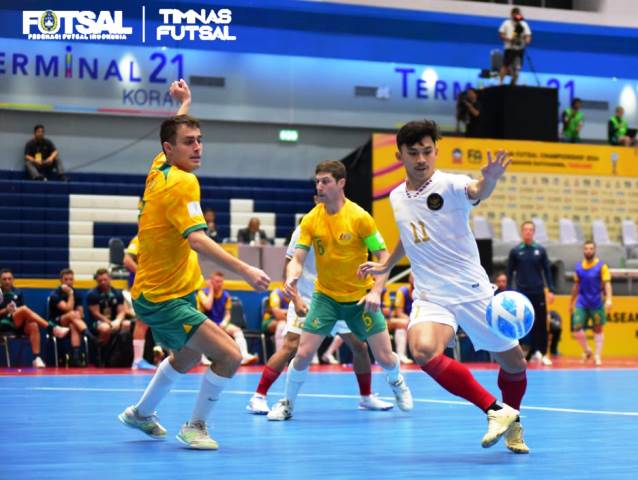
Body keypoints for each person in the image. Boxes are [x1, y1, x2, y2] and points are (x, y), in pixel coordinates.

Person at [359, 120, 529, 454]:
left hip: (471, 291)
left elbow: (477, 190)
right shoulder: (396, 197)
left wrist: (490, 179)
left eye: (427, 152)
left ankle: (514, 423)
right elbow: (409, 236)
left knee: (515, 364)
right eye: (413, 153)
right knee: (422, 350)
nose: (421, 159)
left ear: (436, 152)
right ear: (400, 156)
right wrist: (386, 265)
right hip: (431, 295)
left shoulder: (451, 185)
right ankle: (495, 411)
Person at [118, 79, 270, 450]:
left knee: (185, 357)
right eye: (189, 142)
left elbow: (172, 132)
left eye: (200, 139)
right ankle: (195, 426)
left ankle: (140, 413)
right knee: (231, 356)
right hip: (163, 297)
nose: (197, 147)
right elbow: (198, 240)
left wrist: (184, 103)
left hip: (164, 294)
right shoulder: (183, 183)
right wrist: (247, 269)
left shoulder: (159, 167)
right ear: (170, 149)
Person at [267, 160, 413, 421]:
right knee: (302, 353)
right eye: (317, 181)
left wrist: (376, 292)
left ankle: (397, 381)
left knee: (385, 356)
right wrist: (292, 277)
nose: (319, 186)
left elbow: (382, 255)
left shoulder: (359, 218)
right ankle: (287, 403)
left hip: (359, 298)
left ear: (341, 183)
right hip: (326, 298)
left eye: (326, 181)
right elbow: (297, 258)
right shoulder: (311, 219)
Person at [246, 222, 393, 414]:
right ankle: (258, 397)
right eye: (319, 193)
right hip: (308, 299)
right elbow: (288, 268)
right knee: (291, 345)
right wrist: (296, 299)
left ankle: (366, 397)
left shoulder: (348, 224)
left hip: (338, 299)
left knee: (359, 345)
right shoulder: (304, 228)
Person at [507, 221, 555, 366]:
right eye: (525, 230)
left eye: (530, 230)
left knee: (540, 323)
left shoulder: (540, 250)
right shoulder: (515, 251)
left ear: (533, 232)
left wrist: (551, 290)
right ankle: (517, 353)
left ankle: (542, 352)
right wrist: (509, 290)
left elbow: (547, 271)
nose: (528, 232)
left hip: (538, 292)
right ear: (522, 232)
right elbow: (509, 272)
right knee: (518, 322)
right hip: (522, 294)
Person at [0, 268, 68, 368]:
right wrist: (6, 310)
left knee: (33, 325)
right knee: (24, 309)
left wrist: (16, 312)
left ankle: (36, 358)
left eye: (9, 279)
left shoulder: (18, 292)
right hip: (3, 324)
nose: (7, 281)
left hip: (16, 322)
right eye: (4, 279)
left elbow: (21, 313)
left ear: (13, 279)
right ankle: (52, 328)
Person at [197, 271, 258, 365]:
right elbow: (208, 306)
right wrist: (211, 290)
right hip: (205, 323)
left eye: (221, 281)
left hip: (219, 323)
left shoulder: (226, 296)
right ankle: (203, 359)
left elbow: (228, 314)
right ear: (211, 282)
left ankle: (244, 355)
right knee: (200, 331)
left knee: (237, 330)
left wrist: (224, 322)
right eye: (216, 281)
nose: (219, 284)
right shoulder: (202, 293)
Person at [569, 241, 612, 366]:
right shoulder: (578, 267)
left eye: (591, 248)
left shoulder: (601, 266)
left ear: (595, 250)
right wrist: (571, 302)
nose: (589, 251)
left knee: (598, 328)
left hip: (596, 302)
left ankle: (597, 355)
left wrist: (609, 299)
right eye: (586, 248)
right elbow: (576, 285)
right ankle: (587, 350)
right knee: (576, 328)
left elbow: (607, 283)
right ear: (583, 250)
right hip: (582, 302)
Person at [123, 235, 158, 370]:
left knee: (148, 322)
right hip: (142, 286)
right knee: (141, 322)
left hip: (155, 286)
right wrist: (144, 275)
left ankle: (141, 359)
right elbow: (126, 260)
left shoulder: (159, 238)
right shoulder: (140, 238)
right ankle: (137, 360)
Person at [48, 268, 96, 367]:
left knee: (73, 324)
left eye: (71, 279)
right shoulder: (55, 294)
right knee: (71, 315)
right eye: (66, 279)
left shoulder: (77, 293)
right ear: (61, 280)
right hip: (56, 324)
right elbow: (67, 309)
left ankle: (75, 358)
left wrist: (77, 314)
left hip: (73, 322)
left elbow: (81, 312)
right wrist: (70, 294)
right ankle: (89, 335)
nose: (69, 282)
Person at [87, 268, 131, 347]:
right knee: (105, 328)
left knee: (127, 324)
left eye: (105, 279)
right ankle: (103, 353)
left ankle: (122, 351)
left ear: (110, 279)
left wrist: (118, 320)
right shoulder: (92, 294)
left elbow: (121, 311)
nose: (103, 282)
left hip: (114, 320)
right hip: (97, 322)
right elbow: (96, 313)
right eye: (100, 281)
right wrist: (110, 323)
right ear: (96, 280)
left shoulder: (117, 293)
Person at [498, 7, 532, 86]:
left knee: (518, 67)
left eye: (518, 14)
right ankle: (500, 82)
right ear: (512, 14)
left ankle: (514, 83)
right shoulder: (506, 23)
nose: (517, 15)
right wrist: (509, 39)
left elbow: (528, 35)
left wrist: (527, 40)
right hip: (509, 48)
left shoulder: (523, 24)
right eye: (515, 14)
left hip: (520, 48)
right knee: (506, 65)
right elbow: (501, 34)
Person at [384, 274, 413, 364]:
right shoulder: (403, 291)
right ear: (410, 278)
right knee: (404, 324)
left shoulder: (423, 292)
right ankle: (400, 355)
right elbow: (399, 313)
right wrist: (412, 320)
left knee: (404, 327)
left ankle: (403, 355)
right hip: (398, 320)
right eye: (413, 276)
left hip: (411, 322)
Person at [261, 287, 290, 352]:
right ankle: (280, 358)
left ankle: (312, 360)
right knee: (282, 326)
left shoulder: (299, 295)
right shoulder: (276, 294)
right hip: (269, 322)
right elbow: (279, 315)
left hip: (288, 322)